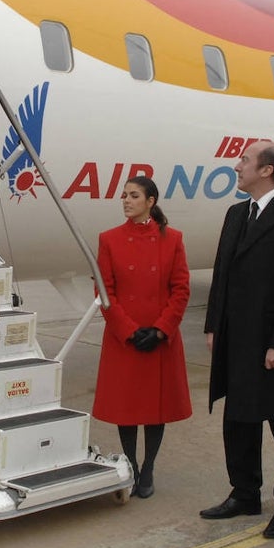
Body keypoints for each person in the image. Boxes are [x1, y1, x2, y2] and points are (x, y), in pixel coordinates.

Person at [199, 140, 274, 539]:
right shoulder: (237, 214)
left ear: (267, 170)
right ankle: (244, 492)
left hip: (273, 343)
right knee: (238, 420)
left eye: (245, 161)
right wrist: (213, 327)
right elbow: (222, 275)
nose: (237, 166)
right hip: (237, 340)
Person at [92, 176, 192, 498]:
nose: (126, 200)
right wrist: (129, 330)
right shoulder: (108, 239)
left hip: (160, 337)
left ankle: (148, 467)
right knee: (128, 408)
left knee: (154, 408)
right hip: (126, 339)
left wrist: (162, 329)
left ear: (150, 201)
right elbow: (104, 291)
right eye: (124, 195)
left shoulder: (173, 239)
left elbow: (180, 289)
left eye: (133, 195)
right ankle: (132, 465)